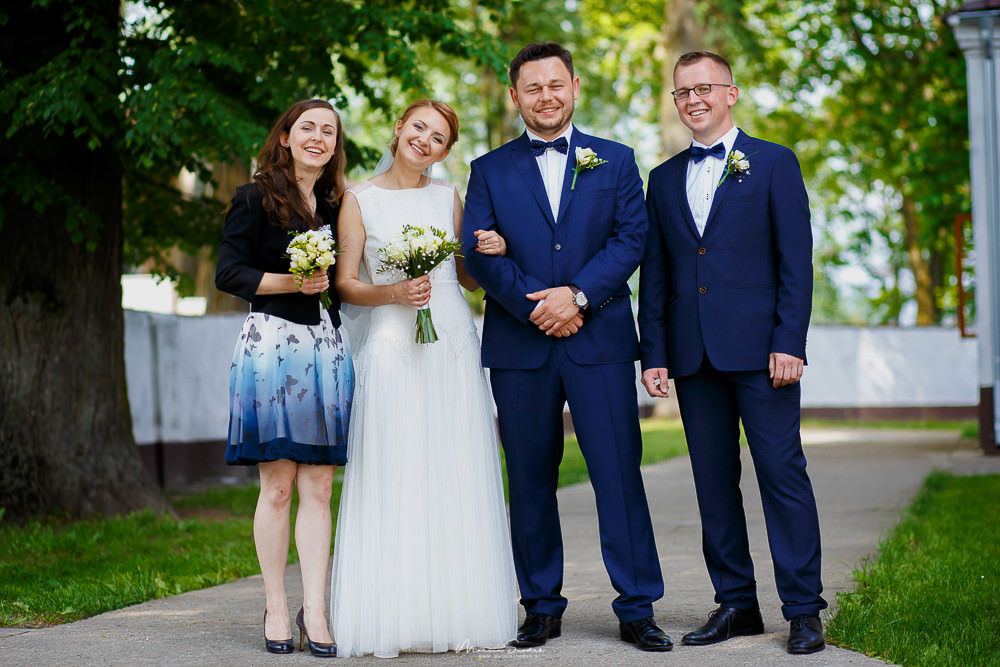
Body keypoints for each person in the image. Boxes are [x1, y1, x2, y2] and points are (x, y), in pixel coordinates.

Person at [462, 42, 671, 653]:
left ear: (574, 87)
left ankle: (637, 607)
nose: (546, 96)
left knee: (618, 474)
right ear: (515, 97)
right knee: (529, 479)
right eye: (533, 87)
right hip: (519, 345)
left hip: (599, 340)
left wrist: (576, 297)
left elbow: (631, 239)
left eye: (556, 84)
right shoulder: (488, 169)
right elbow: (478, 250)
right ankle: (540, 606)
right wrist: (539, 305)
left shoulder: (617, 160)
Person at [637, 51, 826, 655]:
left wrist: (789, 342)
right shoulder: (663, 178)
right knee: (713, 484)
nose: (693, 99)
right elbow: (657, 273)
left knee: (782, 475)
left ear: (731, 93)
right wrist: (654, 353)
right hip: (693, 356)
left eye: (704, 88)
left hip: (764, 355)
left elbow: (796, 262)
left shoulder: (774, 162)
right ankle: (736, 603)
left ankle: (803, 608)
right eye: (682, 92)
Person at [329, 99, 518, 658]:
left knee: (454, 470)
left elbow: (468, 277)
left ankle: (459, 611)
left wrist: (493, 248)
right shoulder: (358, 199)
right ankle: (394, 614)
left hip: (450, 344)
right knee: (397, 470)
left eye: (438, 138)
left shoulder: (448, 197)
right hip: (393, 345)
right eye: (419, 128)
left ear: (445, 151)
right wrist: (393, 291)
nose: (425, 141)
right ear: (399, 128)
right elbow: (345, 282)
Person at [215, 98, 352, 658]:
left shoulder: (337, 204)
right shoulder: (254, 196)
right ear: (286, 137)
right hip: (273, 347)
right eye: (308, 128)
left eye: (329, 131)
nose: (318, 137)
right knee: (278, 486)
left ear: (336, 145)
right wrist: (292, 282)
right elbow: (228, 272)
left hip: (326, 347)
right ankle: (275, 603)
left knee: (319, 486)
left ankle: (314, 608)